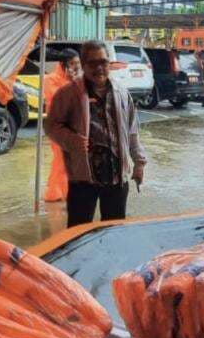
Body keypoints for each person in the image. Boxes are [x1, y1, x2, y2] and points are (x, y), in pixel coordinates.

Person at [45, 40, 147, 228]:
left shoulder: (122, 92)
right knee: (78, 233)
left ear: (109, 63)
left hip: (116, 177)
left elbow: (132, 132)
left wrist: (139, 163)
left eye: (103, 62)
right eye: (92, 63)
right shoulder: (68, 94)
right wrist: (72, 140)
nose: (99, 67)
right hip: (83, 178)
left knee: (113, 232)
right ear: (83, 65)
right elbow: (51, 125)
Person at [43, 49, 81, 202]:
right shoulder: (50, 79)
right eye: (72, 64)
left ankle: (63, 193)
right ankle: (54, 194)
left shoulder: (76, 81)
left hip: (74, 127)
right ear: (62, 64)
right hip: (58, 128)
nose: (75, 67)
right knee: (61, 160)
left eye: (77, 64)